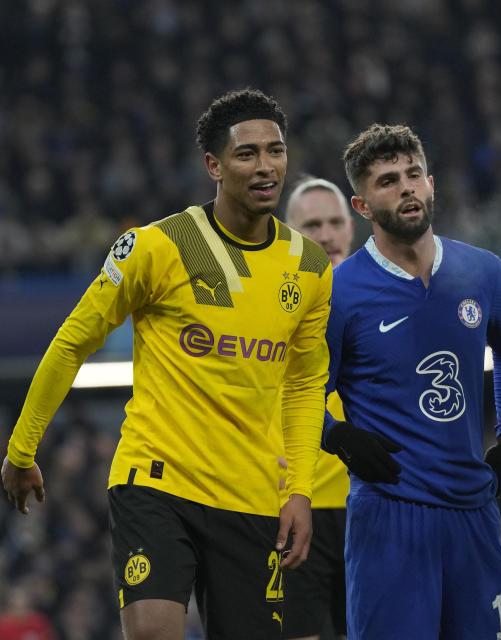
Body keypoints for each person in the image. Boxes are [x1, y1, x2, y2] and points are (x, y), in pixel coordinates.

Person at [2, 88, 332, 640]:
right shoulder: (157, 247)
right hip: (157, 479)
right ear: (214, 165)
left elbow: (303, 385)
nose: (266, 166)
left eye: (275, 151)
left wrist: (299, 489)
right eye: (246, 154)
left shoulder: (310, 267)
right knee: (154, 632)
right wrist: (21, 448)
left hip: (253, 494)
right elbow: (71, 342)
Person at [321, 123, 501, 639]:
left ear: (431, 183)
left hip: (473, 512)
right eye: (388, 181)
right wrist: (336, 435)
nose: (406, 187)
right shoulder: (339, 292)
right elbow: (293, 392)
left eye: (414, 174)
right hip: (388, 515)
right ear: (362, 206)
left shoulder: (483, 272)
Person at [281, 177, 355, 640]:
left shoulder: (382, 299)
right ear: (288, 232)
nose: (325, 235)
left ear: (352, 228)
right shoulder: (273, 305)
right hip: (291, 506)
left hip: (367, 507)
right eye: (311, 225)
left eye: (334, 223)